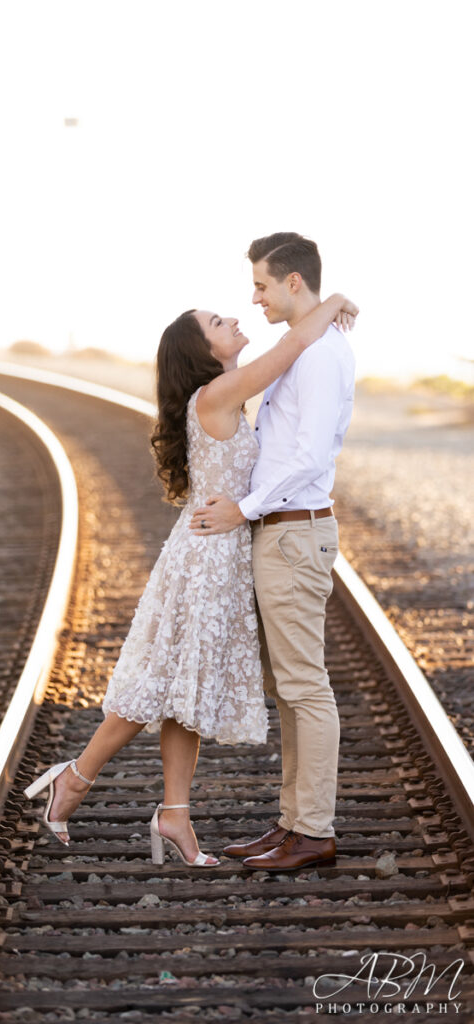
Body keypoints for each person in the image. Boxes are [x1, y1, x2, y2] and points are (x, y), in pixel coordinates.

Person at [24, 284, 357, 867]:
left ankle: (174, 814)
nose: (233, 317)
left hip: (219, 552)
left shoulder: (224, 394)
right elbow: (294, 345)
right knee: (162, 681)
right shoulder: (221, 391)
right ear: (202, 351)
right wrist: (333, 302)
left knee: (187, 689)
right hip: (206, 559)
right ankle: (74, 777)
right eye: (217, 321)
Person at [189, 232, 357, 872]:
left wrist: (245, 509)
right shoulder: (309, 347)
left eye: (261, 284)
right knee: (290, 687)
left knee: (304, 686)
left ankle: (313, 831)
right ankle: (293, 824)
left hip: (291, 529)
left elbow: (311, 456)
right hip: (283, 531)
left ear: (293, 283)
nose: (252, 296)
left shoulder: (318, 357)